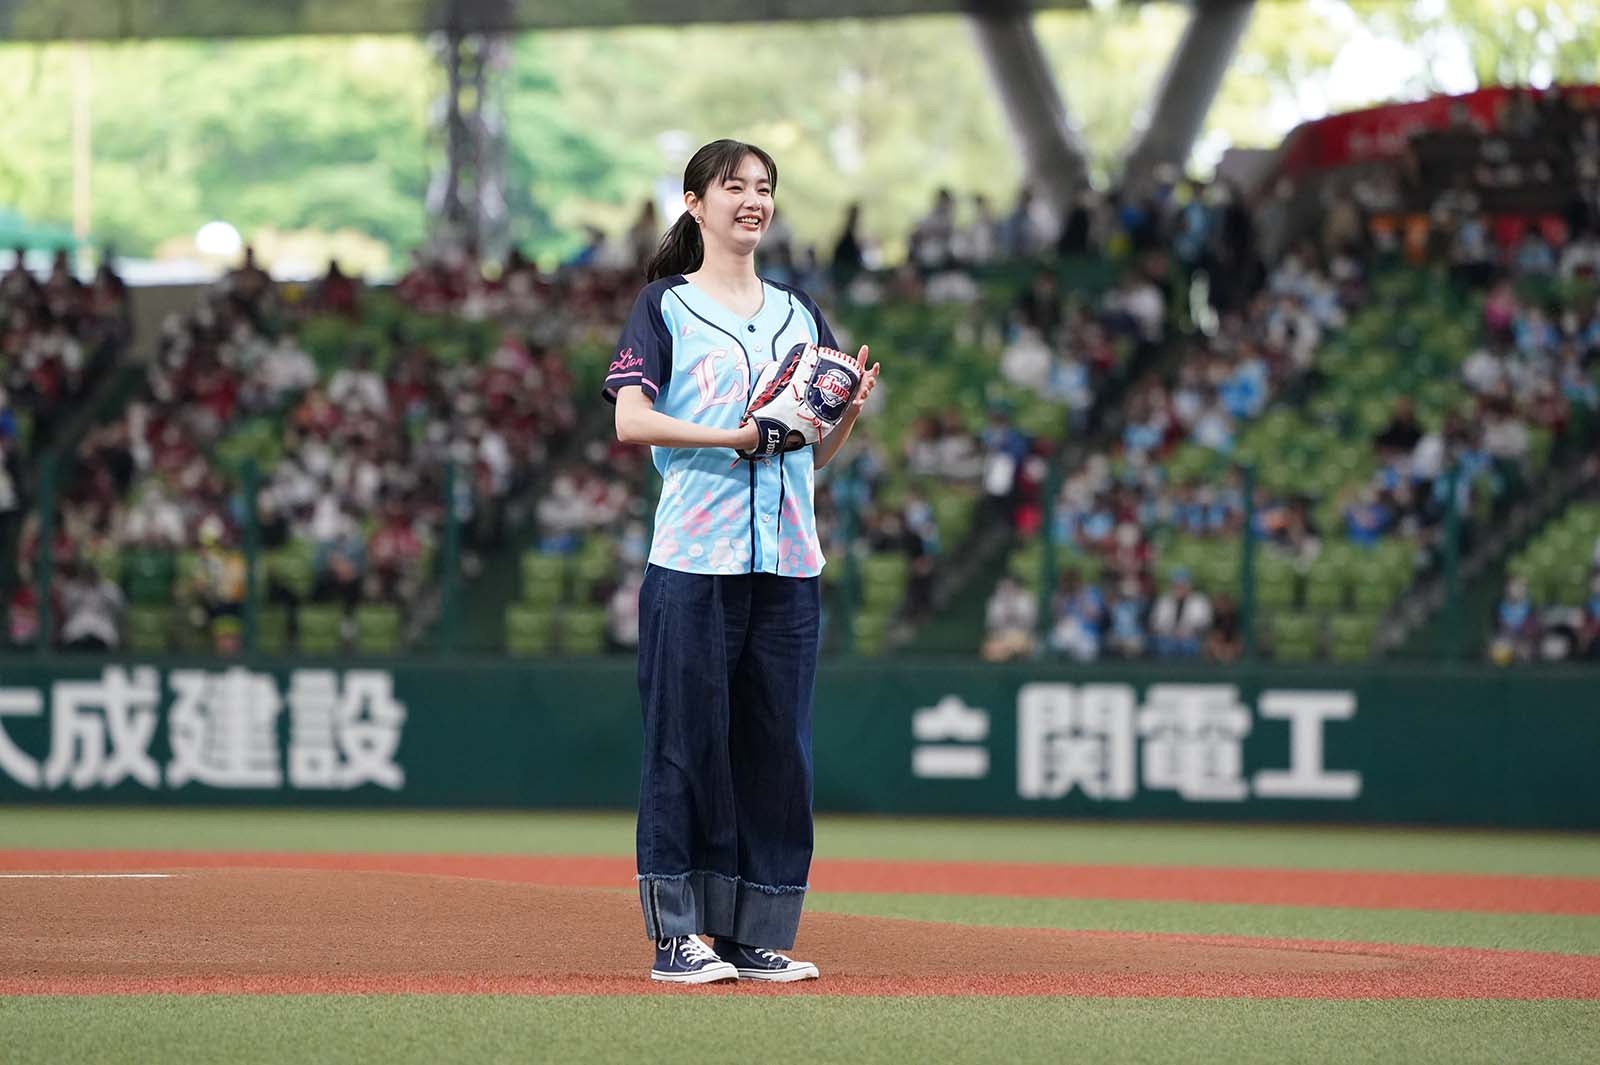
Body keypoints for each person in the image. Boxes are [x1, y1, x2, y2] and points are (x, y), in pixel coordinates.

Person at [604, 139, 879, 986]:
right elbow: (631, 422)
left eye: (764, 188)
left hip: (791, 561)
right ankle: (678, 935)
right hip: (695, 557)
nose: (752, 201)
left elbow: (813, 453)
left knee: (778, 752)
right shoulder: (666, 306)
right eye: (734, 187)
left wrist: (847, 417)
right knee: (686, 746)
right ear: (694, 202)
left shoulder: (800, 314)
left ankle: (756, 932)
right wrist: (734, 436)